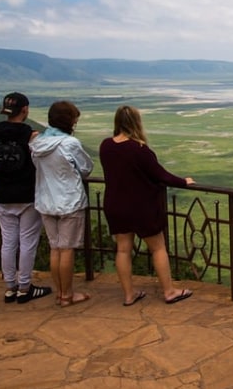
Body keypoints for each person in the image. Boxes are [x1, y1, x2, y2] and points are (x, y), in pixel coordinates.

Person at [98, 105, 194, 306]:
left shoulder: (106, 146)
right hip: (141, 207)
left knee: (123, 249)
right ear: (136, 123)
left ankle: (129, 294)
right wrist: (183, 182)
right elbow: (161, 175)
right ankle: (169, 291)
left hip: (115, 205)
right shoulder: (140, 149)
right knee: (158, 248)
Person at [0, 92, 52, 304]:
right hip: (27, 194)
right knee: (27, 242)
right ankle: (25, 288)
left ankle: (9, 288)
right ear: (25, 110)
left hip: (3, 193)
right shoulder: (30, 135)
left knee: (8, 242)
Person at [30, 100, 94, 307]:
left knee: (55, 248)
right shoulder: (69, 144)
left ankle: (60, 293)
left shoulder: (36, 143)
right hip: (69, 200)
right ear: (69, 121)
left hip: (45, 200)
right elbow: (85, 168)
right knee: (66, 249)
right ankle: (67, 295)